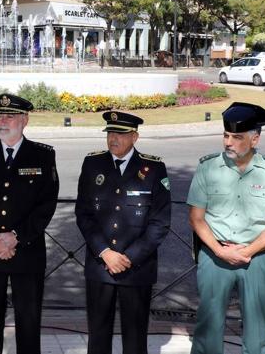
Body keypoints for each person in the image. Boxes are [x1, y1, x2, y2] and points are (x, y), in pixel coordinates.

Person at [188, 102, 265, 354]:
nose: (228, 142)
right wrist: (221, 251)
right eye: (226, 135)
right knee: (207, 329)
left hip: (256, 258)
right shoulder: (208, 167)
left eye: (237, 137)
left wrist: (247, 251)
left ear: (254, 139)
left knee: (257, 332)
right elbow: (196, 218)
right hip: (214, 255)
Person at [0, 93, 59, 354]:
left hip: (26, 251)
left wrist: (15, 237)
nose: (3, 121)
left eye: (10, 116)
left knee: (28, 323)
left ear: (24, 120)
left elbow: (46, 205)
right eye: (0, 115)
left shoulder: (42, 156)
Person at [75, 111, 171, 354]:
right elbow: (84, 213)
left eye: (120, 133)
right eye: (110, 133)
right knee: (97, 335)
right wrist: (105, 252)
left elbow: (160, 222)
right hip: (101, 264)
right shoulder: (93, 163)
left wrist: (129, 258)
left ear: (135, 137)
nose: (113, 138)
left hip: (136, 268)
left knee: (135, 338)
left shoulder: (154, 168)